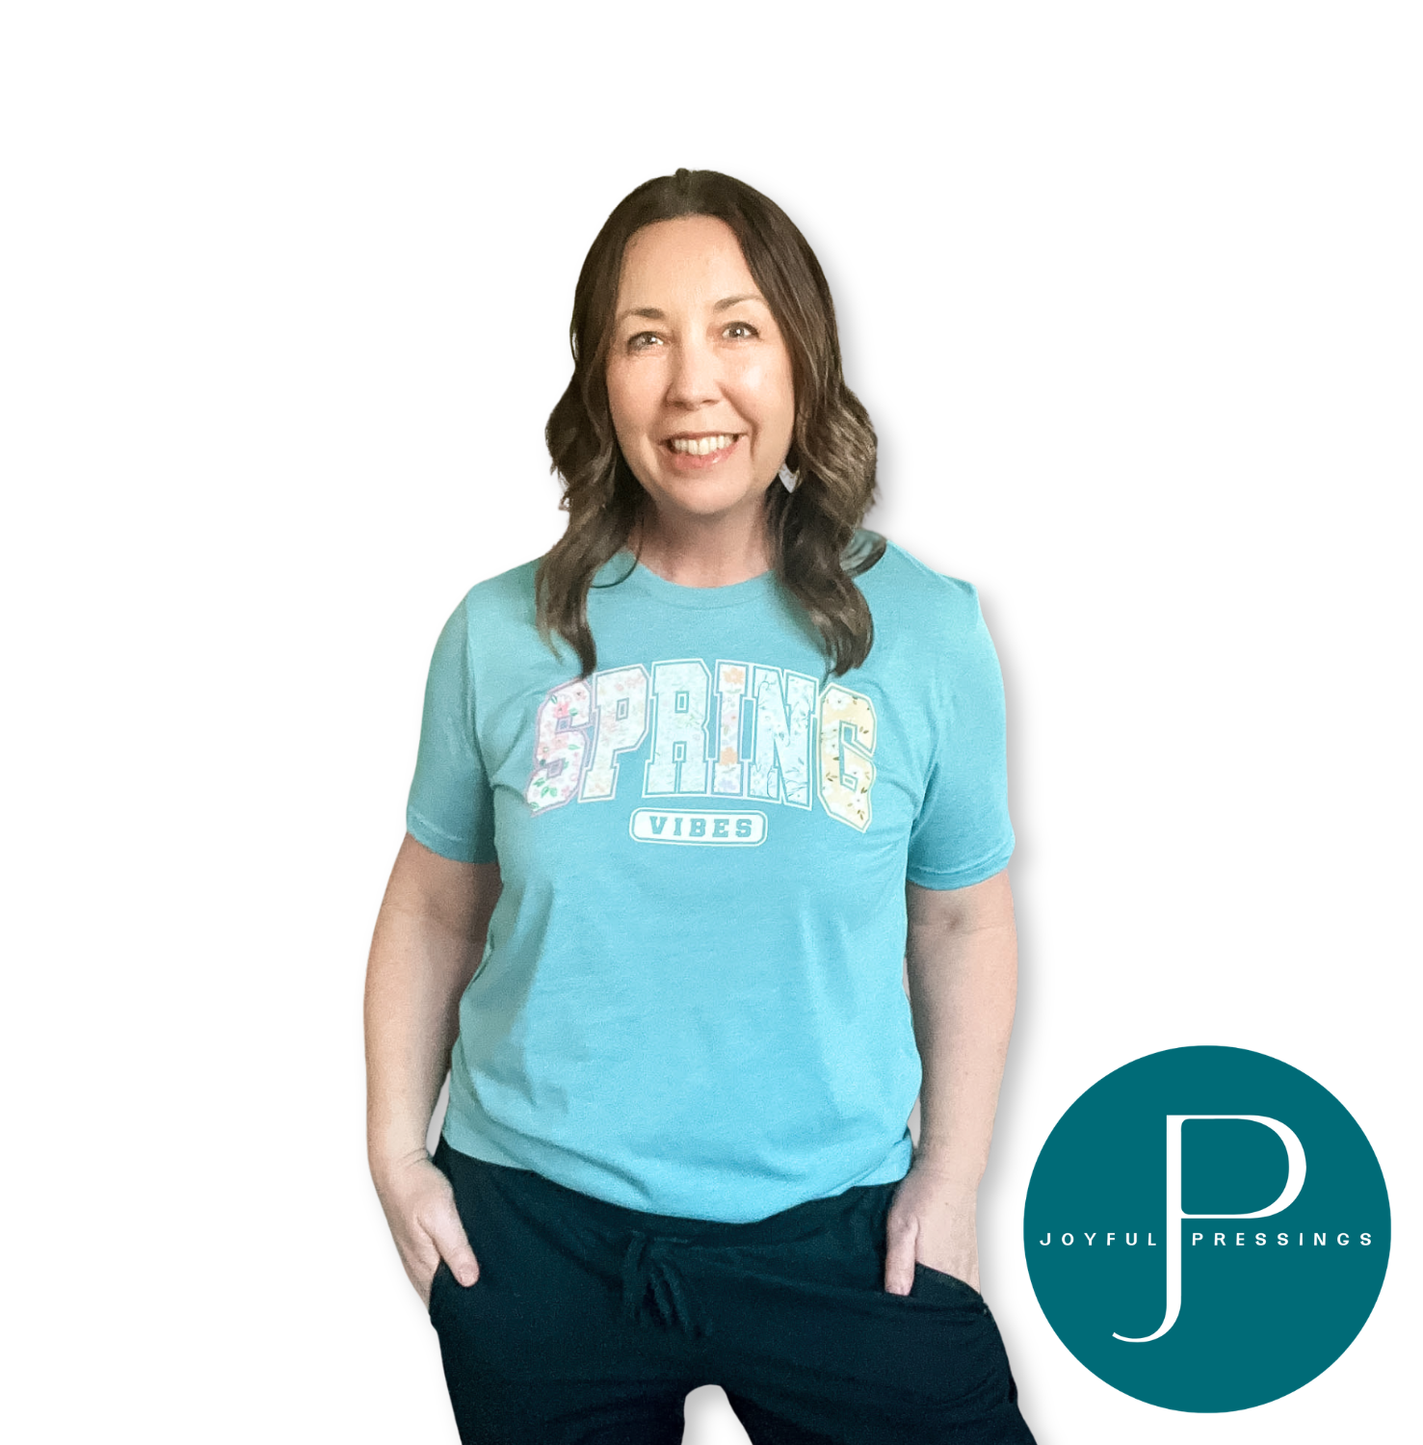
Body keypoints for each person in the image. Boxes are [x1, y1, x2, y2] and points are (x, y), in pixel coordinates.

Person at [364, 168, 1035, 1445]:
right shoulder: (497, 632)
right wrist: (397, 1154)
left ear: (800, 360)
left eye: (735, 328)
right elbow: (435, 903)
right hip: (538, 1230)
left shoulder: (928, 630)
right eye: (643, 338)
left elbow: (961, 923)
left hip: (844, 1233)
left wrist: (948, 1182)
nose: (692, 384)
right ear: (597, 378)